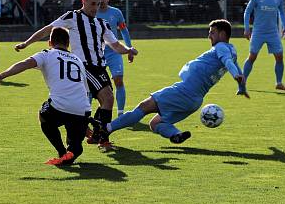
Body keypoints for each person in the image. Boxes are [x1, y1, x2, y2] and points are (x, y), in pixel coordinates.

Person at [14, 0, 138, 151]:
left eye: (98, 4)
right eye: (93, 4)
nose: (96, 8)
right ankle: (101, 138)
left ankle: (93, 132)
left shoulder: (102, 24)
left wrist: (128, 50)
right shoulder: (73, 16)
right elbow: (48, 29)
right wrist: (26, 43)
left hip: (99, 68)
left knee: (106, 101)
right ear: (84, 1)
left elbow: (115, 45)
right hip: (84, 66)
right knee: (107, 98)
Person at [91, 19, 247, 144]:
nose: (209, 36)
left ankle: (106, 128)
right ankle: (176, 134)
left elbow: (228, 62)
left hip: (184, 91)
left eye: (212, 32)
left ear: (222, 33)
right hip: (194, 100)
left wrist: (235, 76)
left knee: (144, 107)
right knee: (155, 123)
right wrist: (241, 85)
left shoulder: (221, 47)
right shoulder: (232, 50)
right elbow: (234, 65)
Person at [0, 27, 90, 166]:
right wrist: (84, 122)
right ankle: (73, 149)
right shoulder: (77, 59)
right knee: (75, 146)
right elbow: (84, 90)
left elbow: (25, 64)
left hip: (59, 107)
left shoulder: (47, 54)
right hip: (82, 109)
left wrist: (2, 75)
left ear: (50, 42)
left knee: (44, 115)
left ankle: (61, 152)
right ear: (68, 43)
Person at [241, 0, 285, 94]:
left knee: (279, 57)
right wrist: (247, 28)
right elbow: (247, 12)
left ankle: (279, 83)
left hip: (273, 32)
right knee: (252, 57)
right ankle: (242, 82)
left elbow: (282, 12)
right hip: (258, 32)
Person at [96, 0, 133, 117]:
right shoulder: (92, 13)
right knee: (91, 85)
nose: (101, 1)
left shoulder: (116, 13)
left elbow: (123, 30)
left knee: (118, 80)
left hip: (114, 52)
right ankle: (86, 114)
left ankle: (121, 113)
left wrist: (129, 49)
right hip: (96, 54)